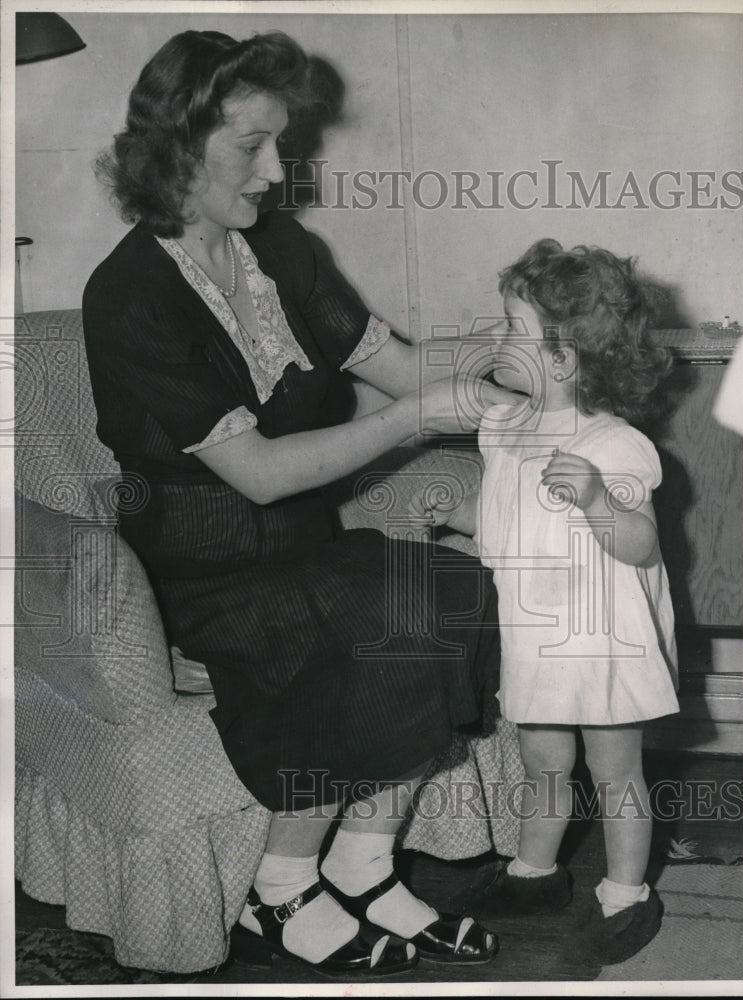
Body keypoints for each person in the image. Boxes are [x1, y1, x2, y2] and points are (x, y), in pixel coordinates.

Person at [82, 28, 518, 977]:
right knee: (379, 612)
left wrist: (511, 364)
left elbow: (399, 364)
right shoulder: (128, 296)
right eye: (252, 146)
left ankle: (361, 867)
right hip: (201, 575)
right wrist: (414, 418)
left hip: (304, 550)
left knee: (452, 591)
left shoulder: (280, 248)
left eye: (281, 142)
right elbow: (265, 471)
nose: (278, 169)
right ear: (175, 148)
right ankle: (279, 891)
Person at [412, 239, 680, 966]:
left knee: (616, 766)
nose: (494, 339)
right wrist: (454, 514)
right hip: (534, 630)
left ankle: (627, 892)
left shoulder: (615, 445)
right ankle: (535, 872)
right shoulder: (504, 429)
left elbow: (639, 544)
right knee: (543, 759)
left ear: (562, 361)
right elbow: (507, 518)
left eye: (510, 329)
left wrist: (596, 500)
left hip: (600, 638)